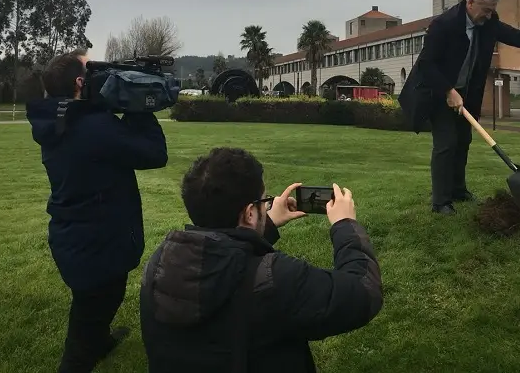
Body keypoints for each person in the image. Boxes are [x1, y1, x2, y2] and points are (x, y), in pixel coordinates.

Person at [139, 146, 383, 373]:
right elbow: (362, 294)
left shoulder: (160, 263)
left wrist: (267, 223)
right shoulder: (274, 279)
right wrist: (344, 225)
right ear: (249, 213)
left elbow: (222, 255)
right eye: (263, 202)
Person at [25, 49, 169, 373]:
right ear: (80, 82)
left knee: (92, 303)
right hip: (96, 243)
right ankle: (88, 350)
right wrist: (137, 103)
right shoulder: (92, 128)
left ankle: (100, 339)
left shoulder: (59, 119)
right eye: (94, 72)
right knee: (87, 326)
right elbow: (155, 153)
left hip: (74, 236)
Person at [399, 0, 520, 214]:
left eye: (492, 10)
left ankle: (458, 191)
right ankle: (440, 202)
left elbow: (515, 35)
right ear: (470, 3)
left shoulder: (488, 22)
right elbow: (426, 65)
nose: (490, 15)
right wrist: (448, 91)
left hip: (468, 93)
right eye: (486, 9)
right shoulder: (444, 25)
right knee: (446, 143)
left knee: (463, 141)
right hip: (437, 91)